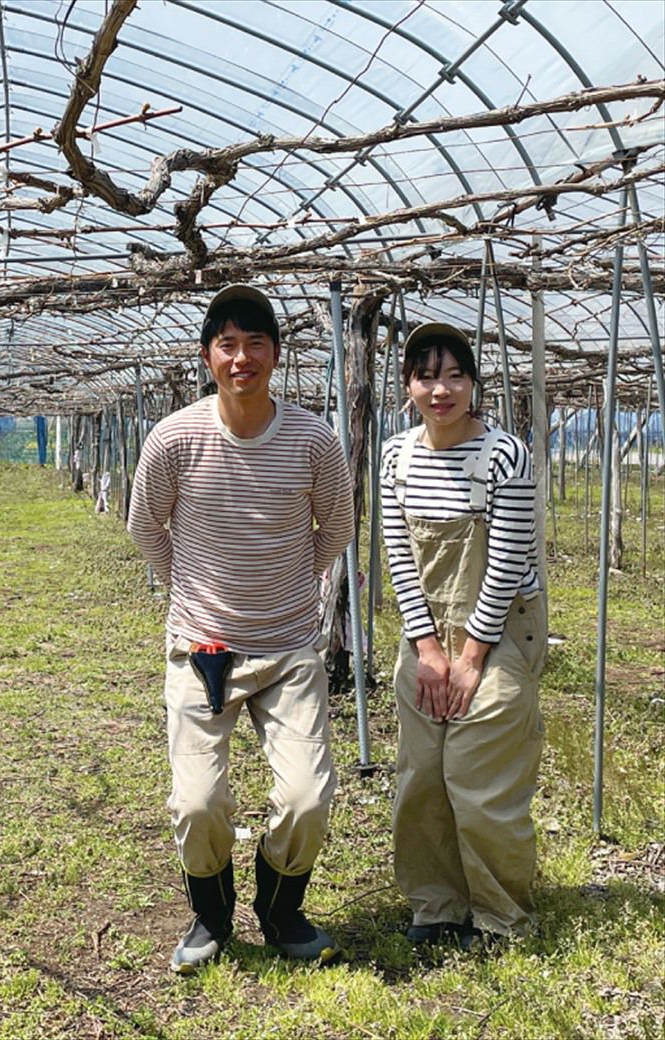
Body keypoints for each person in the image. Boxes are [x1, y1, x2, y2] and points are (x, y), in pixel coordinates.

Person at [127, 284, 354, 973]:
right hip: (204, 649)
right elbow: (146, 527)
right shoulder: (174, 437)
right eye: (228, 343)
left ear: (277, 355)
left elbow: (336, 530)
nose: (242, 357)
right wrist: (192, 592)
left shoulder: (314, 439)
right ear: (208, 356)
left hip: (288, 649)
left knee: (308, 798)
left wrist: (285, 593)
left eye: (256, 342)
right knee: (198, 802)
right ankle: (211, 915)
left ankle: (282, 909)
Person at [379, 321, 546, 949]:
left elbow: (503, 561)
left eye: (454, 375)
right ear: (408, 386)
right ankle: (437, 908)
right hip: (425, 629)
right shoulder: (396, 455)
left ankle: (503, 918)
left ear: (474, 384)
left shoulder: (504, 454)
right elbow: (399, 553)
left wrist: (471, 657)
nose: (440, 389)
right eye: (426, 376)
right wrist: (426, 649)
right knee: (421, 773)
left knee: (480, 776)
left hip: (497, 627)